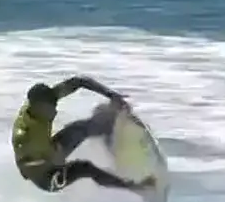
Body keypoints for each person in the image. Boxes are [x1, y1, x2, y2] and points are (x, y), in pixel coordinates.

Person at [11, 76, 156, 194]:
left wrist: (111, 94)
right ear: (37, 107)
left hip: (52, 149)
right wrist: (52, 159)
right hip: (46, 176)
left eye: (53, 105)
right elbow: (25, 169)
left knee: (82, 127)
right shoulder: (24, 134)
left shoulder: (47, 97)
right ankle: (138, 187)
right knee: (85, 168)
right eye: (48, 109)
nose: (53, 111)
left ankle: (111, 135)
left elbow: (79, 81)